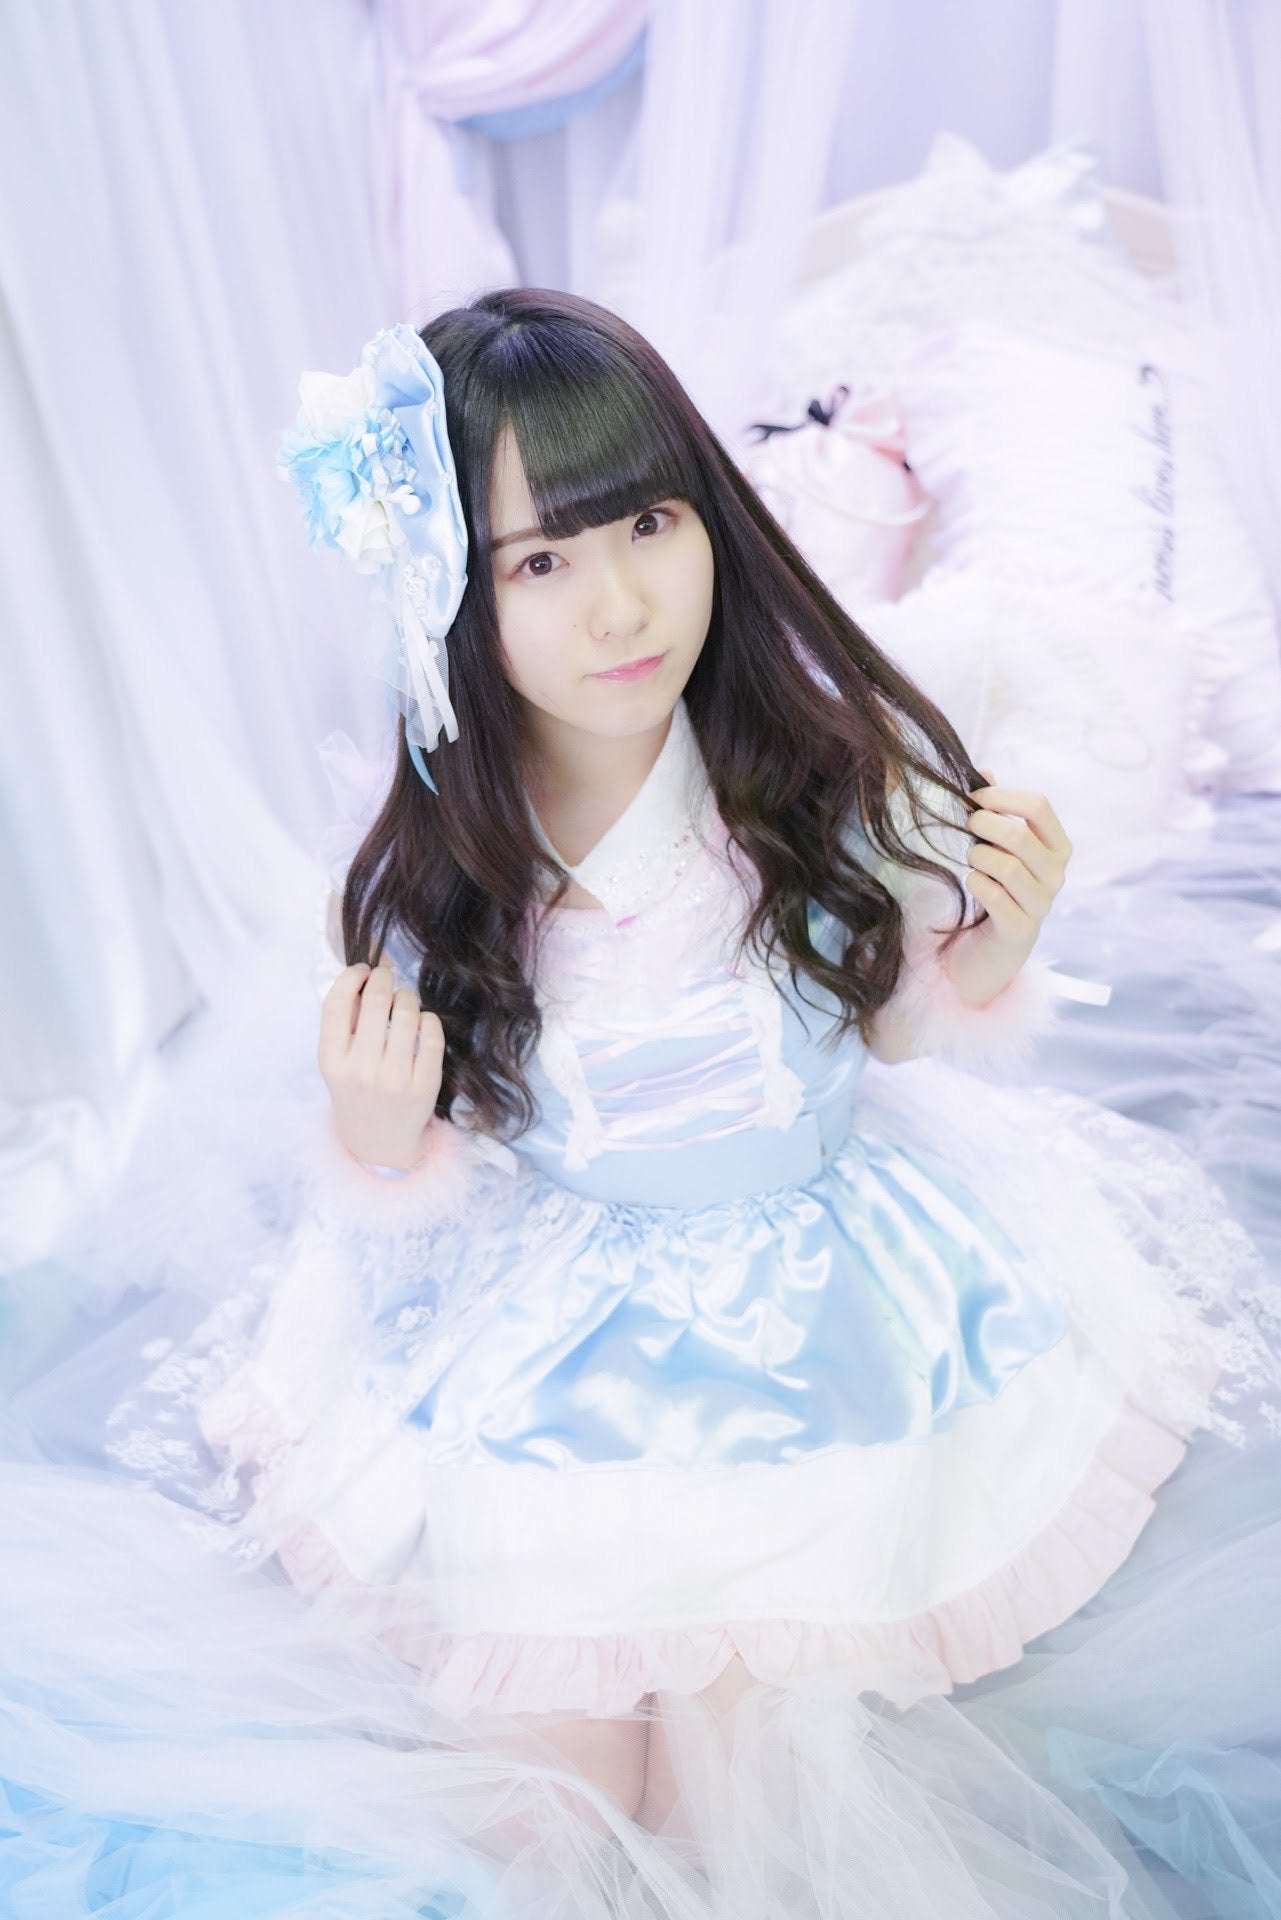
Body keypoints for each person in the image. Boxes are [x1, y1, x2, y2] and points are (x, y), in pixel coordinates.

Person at [2, 287, 1280, 1919]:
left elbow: (874, 1035)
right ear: (448, 592)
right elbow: (445, 1141)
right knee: (550, 1814)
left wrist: (983, 956)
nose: (618, 606)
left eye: (648, 526)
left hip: (822, 1319)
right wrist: (383, 1138)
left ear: (708, 521)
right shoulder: (442, 870)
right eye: (538, 562)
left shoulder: (822, 781)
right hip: (556, 1345)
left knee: (749, 1794)